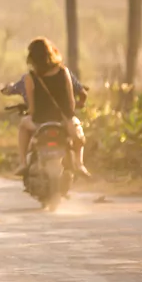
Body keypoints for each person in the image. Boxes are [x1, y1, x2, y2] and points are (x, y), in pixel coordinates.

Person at [14, 37, 91, 178]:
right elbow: (70, 101)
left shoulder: (30, 77)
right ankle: (79, 164)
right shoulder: (63, 72)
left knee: (23, 126)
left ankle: (23, 163)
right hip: (64, 122)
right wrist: (70, 114)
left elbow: (32, 108)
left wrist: (30, 113)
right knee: (79, 136)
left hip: (39, 123)